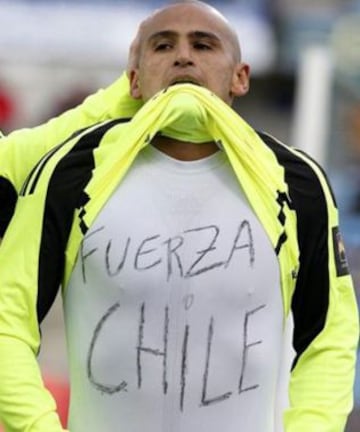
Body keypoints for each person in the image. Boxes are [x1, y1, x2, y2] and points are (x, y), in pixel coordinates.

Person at [0, 1, 358, 431]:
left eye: (203, 45)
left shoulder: (297, 182)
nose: (183, 55)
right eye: (163, 46)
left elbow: (329, 339)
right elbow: (7, 322)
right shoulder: (71, 173)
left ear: (241, 77)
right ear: (133, 80)